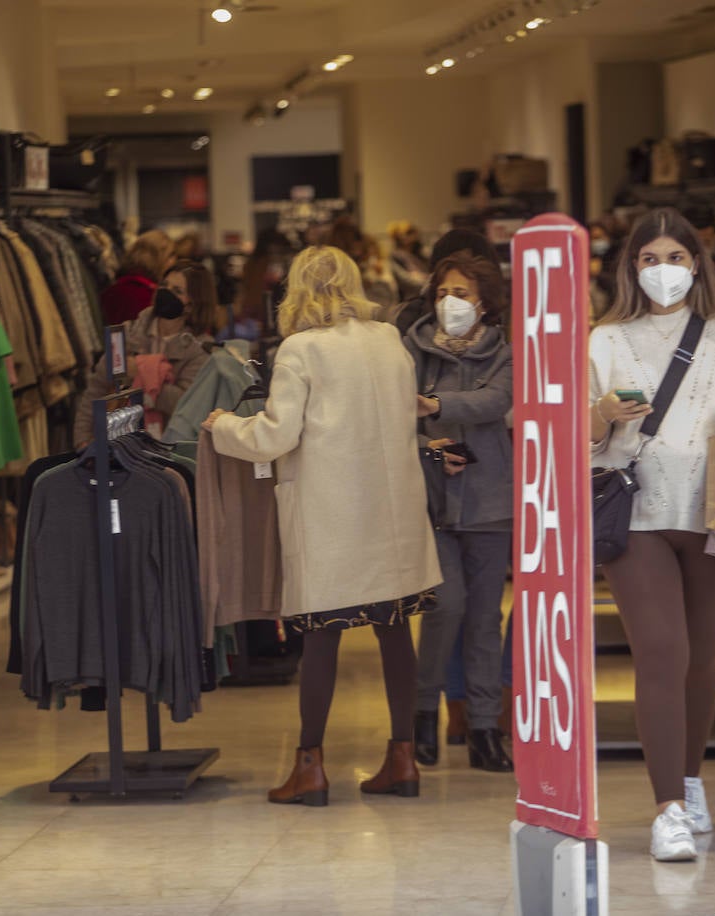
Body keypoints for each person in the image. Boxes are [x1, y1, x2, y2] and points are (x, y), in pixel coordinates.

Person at [202, 246, 442, 807]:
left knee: (321, 638)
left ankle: (310, 767)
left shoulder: (299, 350)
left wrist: (224, 426)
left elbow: (276, 435)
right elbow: (404, 411)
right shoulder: (388, 341)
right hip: (393, 512)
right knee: (394, 630)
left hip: (330, 513)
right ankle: (402, 759)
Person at [588, 207, 715, 862]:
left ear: (696, 263)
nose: (661, 270)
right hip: (635, 513)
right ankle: (666, 806)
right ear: (630, 268)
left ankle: (691, 782)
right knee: (661, 652)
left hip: (713, 510)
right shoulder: (604, 339)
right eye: (647, 259)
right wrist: (603, 413)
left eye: (673, 257)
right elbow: (572, 433)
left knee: (703, 658)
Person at [405, 251, 514, 773]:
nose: (451, 303)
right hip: (432, 499)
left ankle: (485, 727)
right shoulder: (412, 348)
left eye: (463, 293)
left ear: (486, 303)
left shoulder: (506, 352)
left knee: (485, 618)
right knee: (444, 607)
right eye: (444, 292)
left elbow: (498, 401)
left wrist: (438, 404)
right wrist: (430, 442)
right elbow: (395, 407)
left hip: (491, 498)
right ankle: (422, 713)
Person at [73, 259, 215, 447]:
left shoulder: (200, 349)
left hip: (172, 451)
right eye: (164, 285)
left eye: (177, 291)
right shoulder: (128, 335)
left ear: (193, 304)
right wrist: (82, 441)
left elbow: (185, 404)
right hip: (120, 447)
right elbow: (96, 390)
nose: (166, 292)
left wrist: (140, 372)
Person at [390, 229, 502, 334]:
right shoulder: (407, 324)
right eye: (442, 294)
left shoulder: (502, 342)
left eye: (461, 294)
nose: (450, 302)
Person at [101, 229, 174, 325]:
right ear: (158, 259)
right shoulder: (151, 298)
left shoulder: (111, 291)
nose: (173, 262)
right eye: (170, 256)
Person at [387, 220, 430, 301]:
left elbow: (431, 272)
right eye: (407, 233)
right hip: (409, 299)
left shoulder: (421, 253)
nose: (405, 237)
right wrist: (427, 281)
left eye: (411, 232)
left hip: (426, 295)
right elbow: (406, 280)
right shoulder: (395, 256)